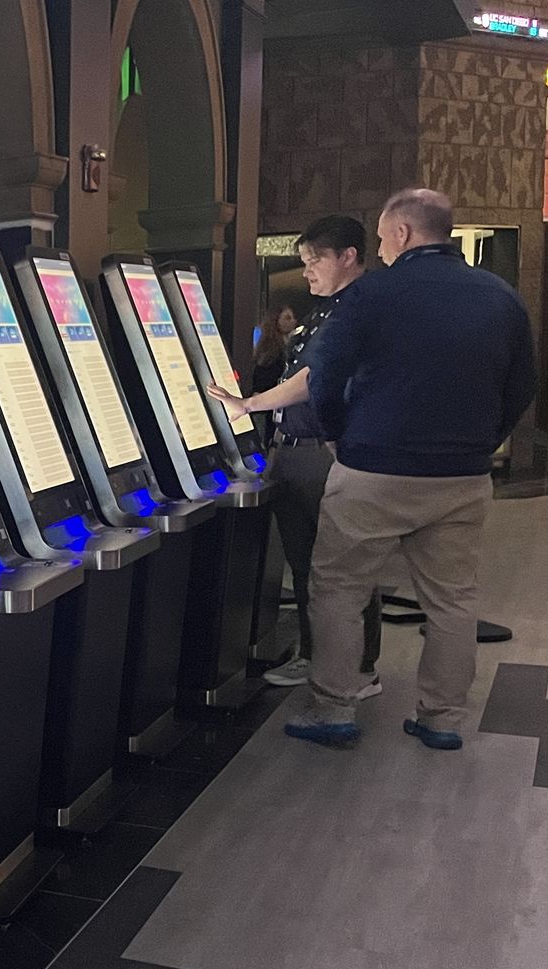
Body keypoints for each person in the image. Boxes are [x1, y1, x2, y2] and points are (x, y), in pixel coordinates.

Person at [289, 189, 536, 750]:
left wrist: (336, 434)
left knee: (338, 590)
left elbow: (326, 374)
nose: (378, 247)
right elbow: (522, 385)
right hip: (463, 477)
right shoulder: (501, 297)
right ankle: (441, 718)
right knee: (452, 600)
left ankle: (332, 709)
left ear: (401, 233)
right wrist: (479, 443)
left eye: (380, 237)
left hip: (374, 468)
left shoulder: (372, 293)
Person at [210, 215, 382, 703]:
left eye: (314, 261)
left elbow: (313, 377)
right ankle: (314, 654)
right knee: (306, 566)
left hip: (327, 454)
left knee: (346, 570)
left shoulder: (358, 311)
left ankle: (361, 668)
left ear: (348, 257)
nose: (306, 272)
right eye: (303, 262)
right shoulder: (323, 311)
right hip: (292, 452)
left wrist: (248, 405)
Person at [248, 305, 297, 444]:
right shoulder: (272, 351)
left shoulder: (282, 347)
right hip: (268, 406)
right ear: (276, 321)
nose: (293, 321)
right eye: (287, 318)